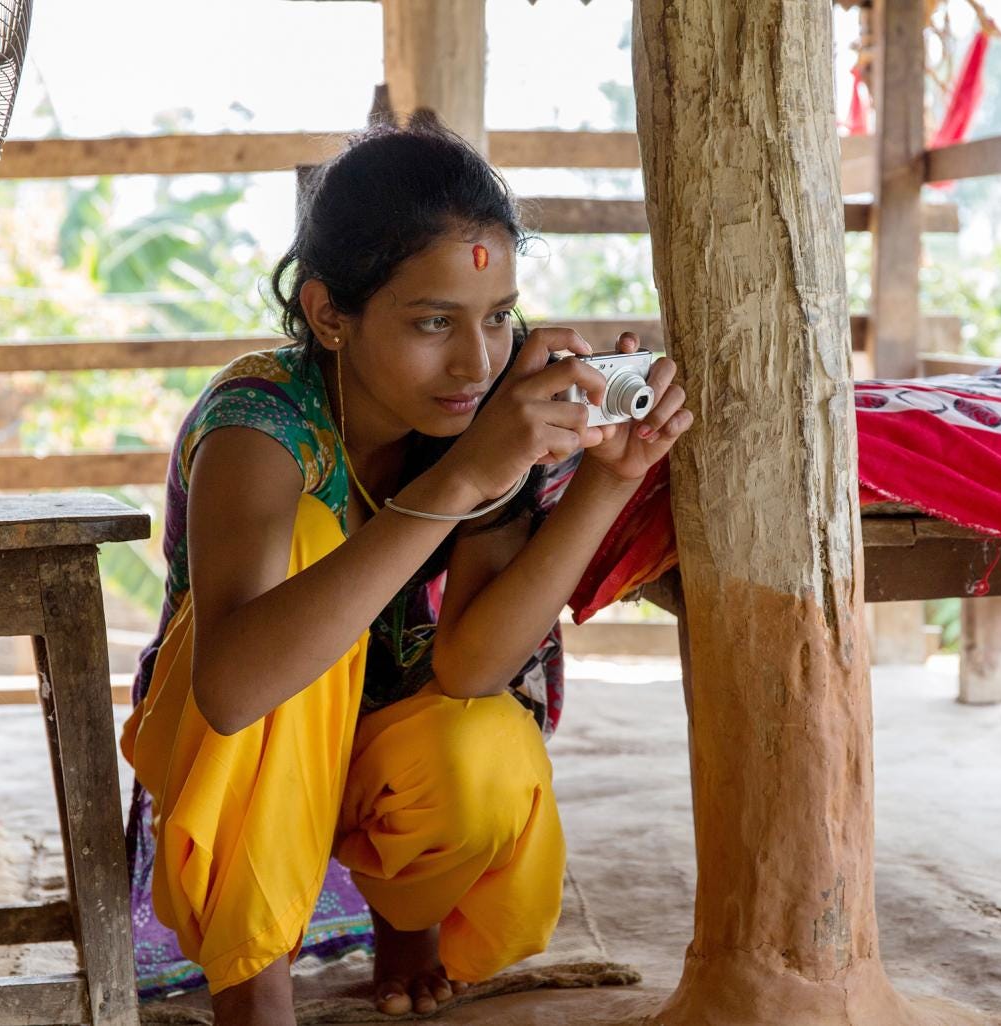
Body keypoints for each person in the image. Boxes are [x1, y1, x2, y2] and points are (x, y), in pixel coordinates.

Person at [118, 116, 692, 1026]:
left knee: (489, 758)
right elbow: (230, 693)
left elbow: (472, 668)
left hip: (380, 753)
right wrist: (467, 474)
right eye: (433, 322)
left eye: (498, 317)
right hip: (243, 752)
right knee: (307, 538)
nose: (474, 361)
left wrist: (606, 481)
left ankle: (405, 917)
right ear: (329, 315)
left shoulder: (484, 411)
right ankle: (253, 982)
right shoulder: (261, 425)